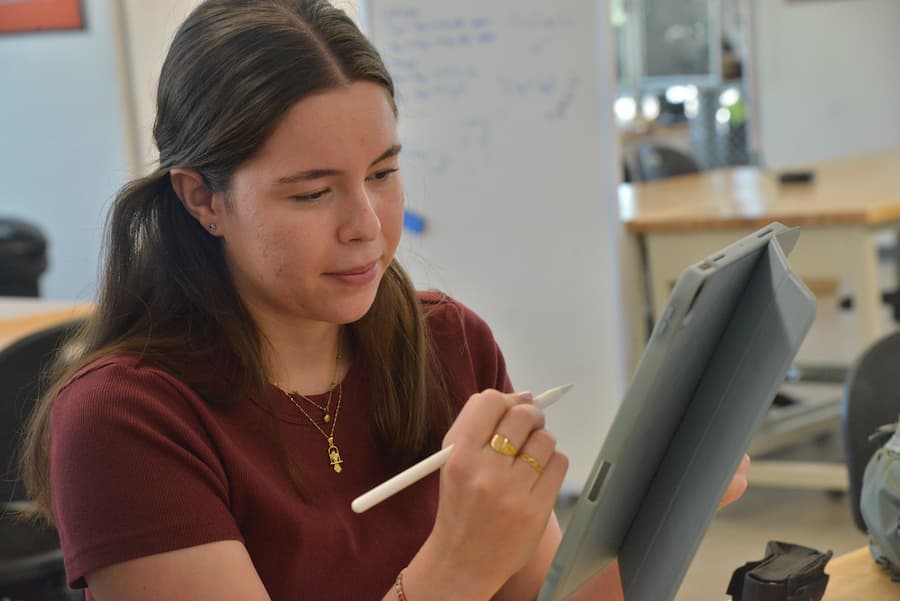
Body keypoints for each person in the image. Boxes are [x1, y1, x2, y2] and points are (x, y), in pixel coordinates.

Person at [19, 1, 749, 599]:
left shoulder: (449, 344)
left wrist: (671, 490)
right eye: (312, 192)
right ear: (202, 197)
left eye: (382, 173)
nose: (366, 226)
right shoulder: (124, 422)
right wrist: (454, 569)